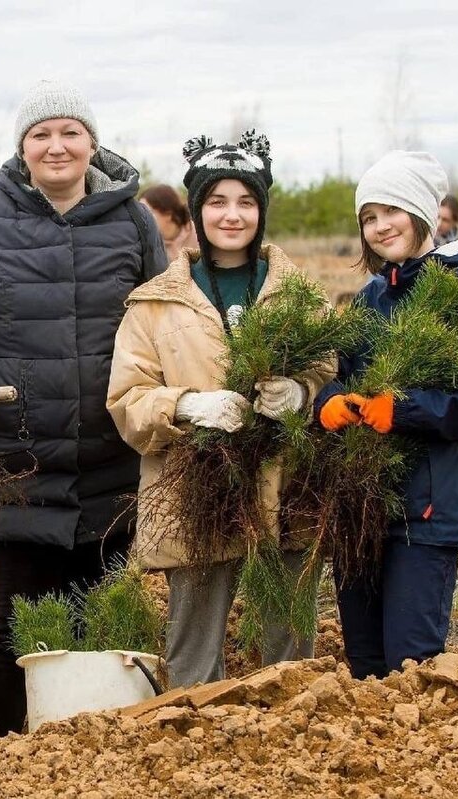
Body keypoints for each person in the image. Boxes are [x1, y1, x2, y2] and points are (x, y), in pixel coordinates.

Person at [0, 80, 167, 736]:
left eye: (70, 132)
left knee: (96, 621)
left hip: (110, 462)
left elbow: (164, 314)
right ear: (22, 147)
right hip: (14, 460)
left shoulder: (132, 221)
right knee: (18, 620)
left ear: (92, 143)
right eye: (41, 134)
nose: (56, 146)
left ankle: (84, 757)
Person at [107, 132, 335, 687]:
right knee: (194, 657)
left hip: (289, 489)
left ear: (262, 211)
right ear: (196, 211)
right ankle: (194, 734)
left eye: (246, 202)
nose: (232, 215)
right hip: (196, 495)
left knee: (290, 653)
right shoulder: (156, 302)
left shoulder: (300, 296)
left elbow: (331, 371)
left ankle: (293, 734)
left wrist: (302, 393)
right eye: (217, 201)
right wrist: (187, 406)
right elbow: (127, 401)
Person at [314, 151, 458, 680]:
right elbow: (345, 374)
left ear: (422, 213)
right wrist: (328, 401)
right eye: (368, 217)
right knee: (363, 666)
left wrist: (404, 410)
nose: (380, 226)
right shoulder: (372, 295)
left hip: (425, 514)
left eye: (392, 211)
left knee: (408, 666)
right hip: (361, 504)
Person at [141, 184, 199, 262]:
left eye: (146, 212)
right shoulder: (146, 245)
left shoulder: (200, 233)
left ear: (168, 213)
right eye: (139, 212)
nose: (141, 218)